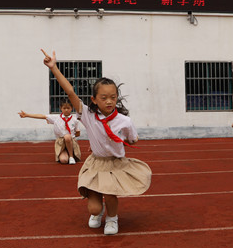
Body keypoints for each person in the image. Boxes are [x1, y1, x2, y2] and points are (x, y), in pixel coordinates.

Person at [42, 48, 151, 235]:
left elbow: (132, 139)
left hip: (114, 162)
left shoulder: (124, 121)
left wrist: (132, 140)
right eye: (104, 98)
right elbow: (70, 92)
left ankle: (112, 218)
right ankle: (98, 212)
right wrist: (54, 68)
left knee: (110, 194)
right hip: (96, 162)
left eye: (113, 98)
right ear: (94, 99)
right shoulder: (88, 115)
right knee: (93, 208)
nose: (109, 101)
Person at [18, 99, 81, 165]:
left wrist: (70, 138)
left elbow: (78, 133)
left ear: (72, 108)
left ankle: (71, 156)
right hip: (61, 142)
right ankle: (65, 152)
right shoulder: (56, 118)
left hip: (70, 141)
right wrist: (27, 115)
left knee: (67, 136)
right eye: (64, 108)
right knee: (64, 160)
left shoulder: (75, 120)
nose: (66, 110)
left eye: (68, 108)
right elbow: (43, 116)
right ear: (61, 108)